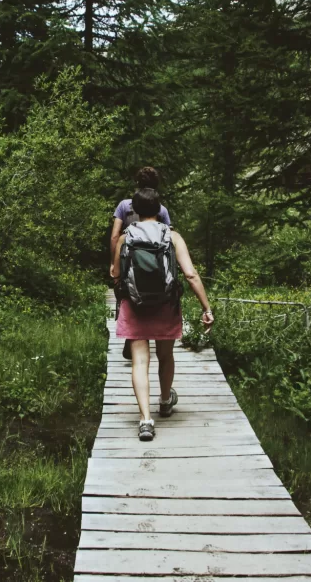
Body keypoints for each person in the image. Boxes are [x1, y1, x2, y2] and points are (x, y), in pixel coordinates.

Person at [111, 188, 214, 441]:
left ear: (134, 211)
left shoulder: (125, 238)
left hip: (134, 306)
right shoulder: (173, 236)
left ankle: (146, 420)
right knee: (165, 356)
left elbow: (116, 275)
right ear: (159, 210)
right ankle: (165, 400)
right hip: (166, 305)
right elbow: (190, 274)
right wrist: (206, 308)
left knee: (139, 362)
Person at [109, 167, 171, 361]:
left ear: (137, 183)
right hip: (155, 265)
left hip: (129, 260)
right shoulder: (160, 209)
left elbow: (114, 236)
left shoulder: (125, 205)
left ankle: (132, 333)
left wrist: (114, 262)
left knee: (126, 294)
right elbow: (168, 239)